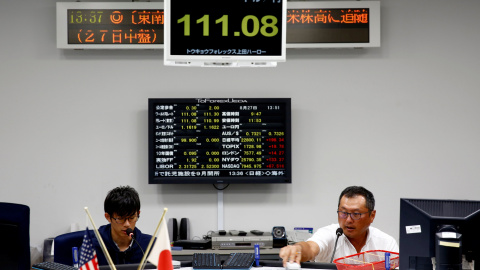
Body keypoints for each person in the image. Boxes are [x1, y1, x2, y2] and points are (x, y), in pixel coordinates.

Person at [279, 186, 398, 265]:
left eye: (356, 214)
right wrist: (297, 249)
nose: (348, 220)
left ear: (372, 215)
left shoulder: (386, 243)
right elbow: (310, 248)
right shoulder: (330, 234)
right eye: (343, 212)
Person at [92, 185, 152, 265]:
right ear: (108, 217)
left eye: (132, 218)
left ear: (138, 214)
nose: (127, 224)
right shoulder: (92, 247)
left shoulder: (151, 245)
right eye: (120, 218)